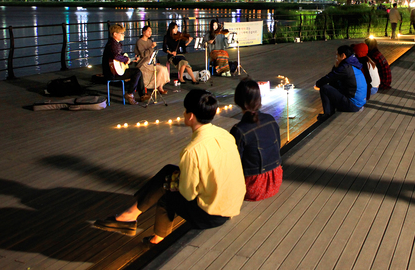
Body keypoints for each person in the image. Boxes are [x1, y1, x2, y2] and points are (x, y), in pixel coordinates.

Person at [93, 90, 246, 245]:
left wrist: (174, 182)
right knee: (168, 173)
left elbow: (188, 193)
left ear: (190, 116)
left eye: (185, 110)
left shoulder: (192, 150)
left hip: (211, 215)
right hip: (232, 204)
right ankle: (144, 227)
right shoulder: (224, 135)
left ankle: (136, 222)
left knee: (166, 190)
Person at [230, 79, 283, 201]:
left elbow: (234, 163)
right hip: (275, 180)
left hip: (254, 186)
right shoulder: (270, 119)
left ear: (238, 101)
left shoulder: (239, 130)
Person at [315, 45, 367, 119]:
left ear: (343, 56)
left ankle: (327, 114)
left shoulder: (345, 67)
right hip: (359, 102)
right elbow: (334, 78)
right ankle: (330, 112)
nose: (336, 58)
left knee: (325, 88)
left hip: (353, 105)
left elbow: (330, 77)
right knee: (333, 85)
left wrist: (317, 84)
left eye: (337, 56)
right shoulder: (353, 64)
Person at [101, 24, 146, 105]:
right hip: (112, 73)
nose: (123, 35)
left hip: (115, 71)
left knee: (138, 72)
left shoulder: (116, 44)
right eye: (121, 33)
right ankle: (130, 94)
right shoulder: (112, 44)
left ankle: (142, 95)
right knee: (137, 72)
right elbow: (116, 56)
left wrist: (131, 60)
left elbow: (121, 58)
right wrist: (126, 59)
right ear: (115, 34)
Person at [135, 25, 170, 95]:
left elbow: (152, 53)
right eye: (148, 31)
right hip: (143, 63)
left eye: (151, 31)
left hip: (150, 62)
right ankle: (157, 86)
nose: (150, 33)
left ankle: (160, 86)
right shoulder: (139, 42)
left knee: (164, 68)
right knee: (160, 69)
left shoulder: (149, 41)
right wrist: (151, 47)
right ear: (143, 32)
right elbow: (143, 55)